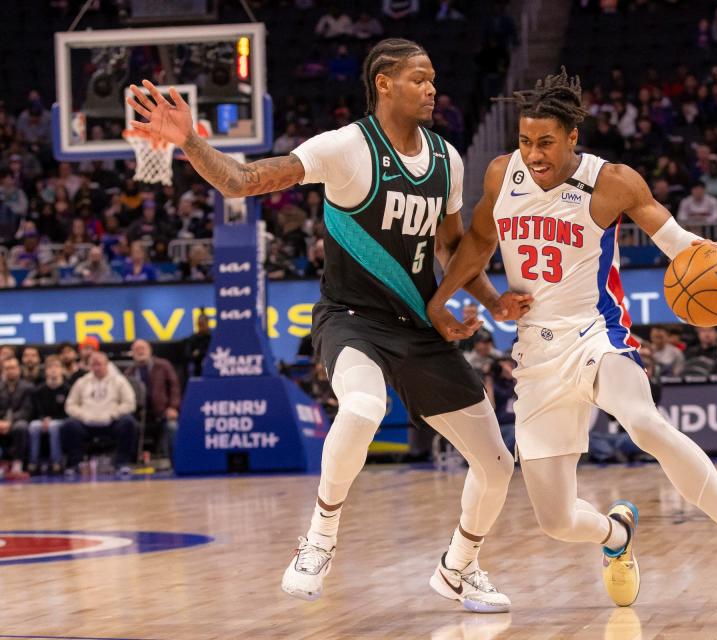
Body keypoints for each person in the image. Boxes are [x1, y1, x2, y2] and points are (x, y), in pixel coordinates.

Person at [129, 38, 524, 612]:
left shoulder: (447, 159)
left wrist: (491, 301)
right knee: (361, 408)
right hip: (352, 319)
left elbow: (453, 246)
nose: (432, 88)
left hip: (417, 326)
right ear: (384, 82)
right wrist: (189, 139)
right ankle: (319, 536)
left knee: (496, 464)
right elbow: (243, 181)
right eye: (419, 78)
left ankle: (459, 567)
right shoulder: (344, 147)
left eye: (434, 78)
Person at [426, 68, 717, 606]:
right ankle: (617, 537)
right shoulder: (502, 174)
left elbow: (675, 238)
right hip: (535, 354)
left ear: (571, 138)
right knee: (557, 521)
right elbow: (476, 241)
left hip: (596, 334)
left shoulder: (611, 181)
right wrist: (449, 297)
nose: (533, 153)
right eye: (524, 141)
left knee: (643, 422)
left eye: (545, 142)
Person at [61, 352, 139, 475]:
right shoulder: (82, 382)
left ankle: (121, 463)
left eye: (99, 364)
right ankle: (75, 464)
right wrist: (82, 415)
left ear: (107, 364)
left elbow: (129, 403)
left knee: (128, 422)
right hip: (87, 422)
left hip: (111, 422)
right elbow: (70, 405)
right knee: (69, 425)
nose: (96, 368)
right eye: (93, 365)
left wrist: (114, 414)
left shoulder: (119, 381)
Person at [125, 340, 180, 460]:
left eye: (143, 348)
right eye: (137, 349)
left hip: (163, 411)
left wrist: (173, 407)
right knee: (127, 426)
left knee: (172, 427)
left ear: (150, 350)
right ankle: (130, 461)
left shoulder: (163, 366)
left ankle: (173, 460)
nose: (140, 352)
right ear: (132, 353)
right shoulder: (129, 372)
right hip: (139, 415)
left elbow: (175, 387)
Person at [27, 356, 69, 475]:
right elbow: (35, 410)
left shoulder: (67, 389)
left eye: (56, 367)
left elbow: (68, 411)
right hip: (42, 420)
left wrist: (53, 419)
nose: (53, 370)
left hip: (61, 420)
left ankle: (57, 462)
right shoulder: (38, 390)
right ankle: (33, 463)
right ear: (45, 371)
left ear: (61, 370)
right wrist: (42, 419)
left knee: (53, 427)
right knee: (33, 426)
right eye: (50, 367)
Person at [0, 357, 32, 477]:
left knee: (21, 427)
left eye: (13, 368)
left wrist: (9, 422)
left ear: (19, 369)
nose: (10, 371)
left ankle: (17, 466)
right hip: (1, 422)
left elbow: (27, 410)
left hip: (18, 421)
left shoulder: (27, 387)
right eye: (7, 368)